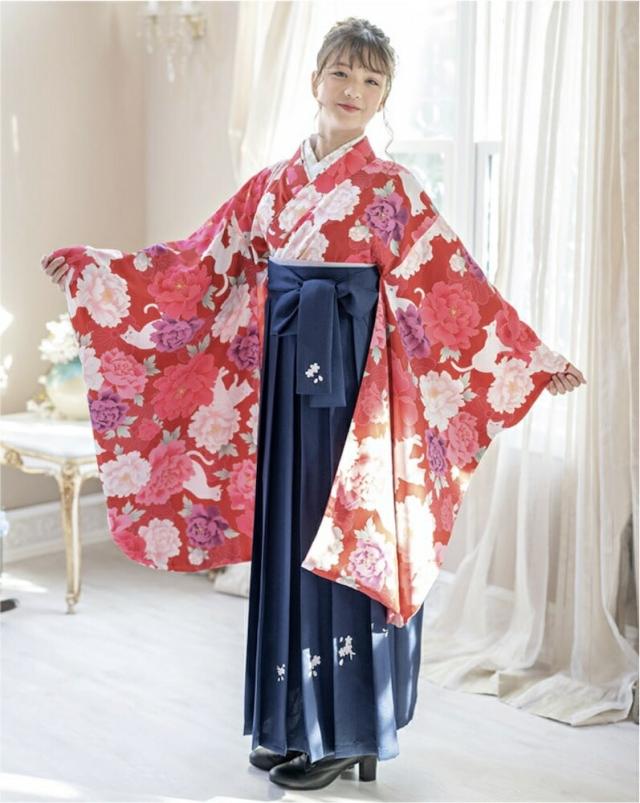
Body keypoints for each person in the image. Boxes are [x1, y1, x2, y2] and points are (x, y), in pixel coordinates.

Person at [41, 17, 586, 792]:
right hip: (287, 390)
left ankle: (348, 731)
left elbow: (451, 282)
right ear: (315, 81)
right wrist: (98, 271)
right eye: (342, 73)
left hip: (358, 397)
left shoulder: (393, 188)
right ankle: (289, 720)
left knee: (348, 542)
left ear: (384, 97)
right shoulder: (272, 185)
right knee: (291, 546)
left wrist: (530, 356)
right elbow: (197, 261)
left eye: (371, 80)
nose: (353, 90)